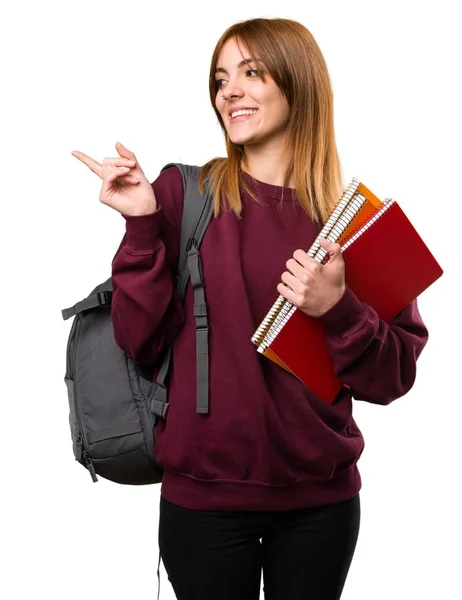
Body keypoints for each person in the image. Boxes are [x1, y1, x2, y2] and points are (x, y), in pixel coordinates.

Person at [71, 17, 428, 600]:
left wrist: (336, 308)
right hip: (202, 504)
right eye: (220, 78)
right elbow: (139, 341)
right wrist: (140, 224)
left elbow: (393, 378)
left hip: (321, 505)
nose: (229, 91)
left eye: (251, 73)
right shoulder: (180, 195)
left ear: (298, 83)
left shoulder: (355, 224)